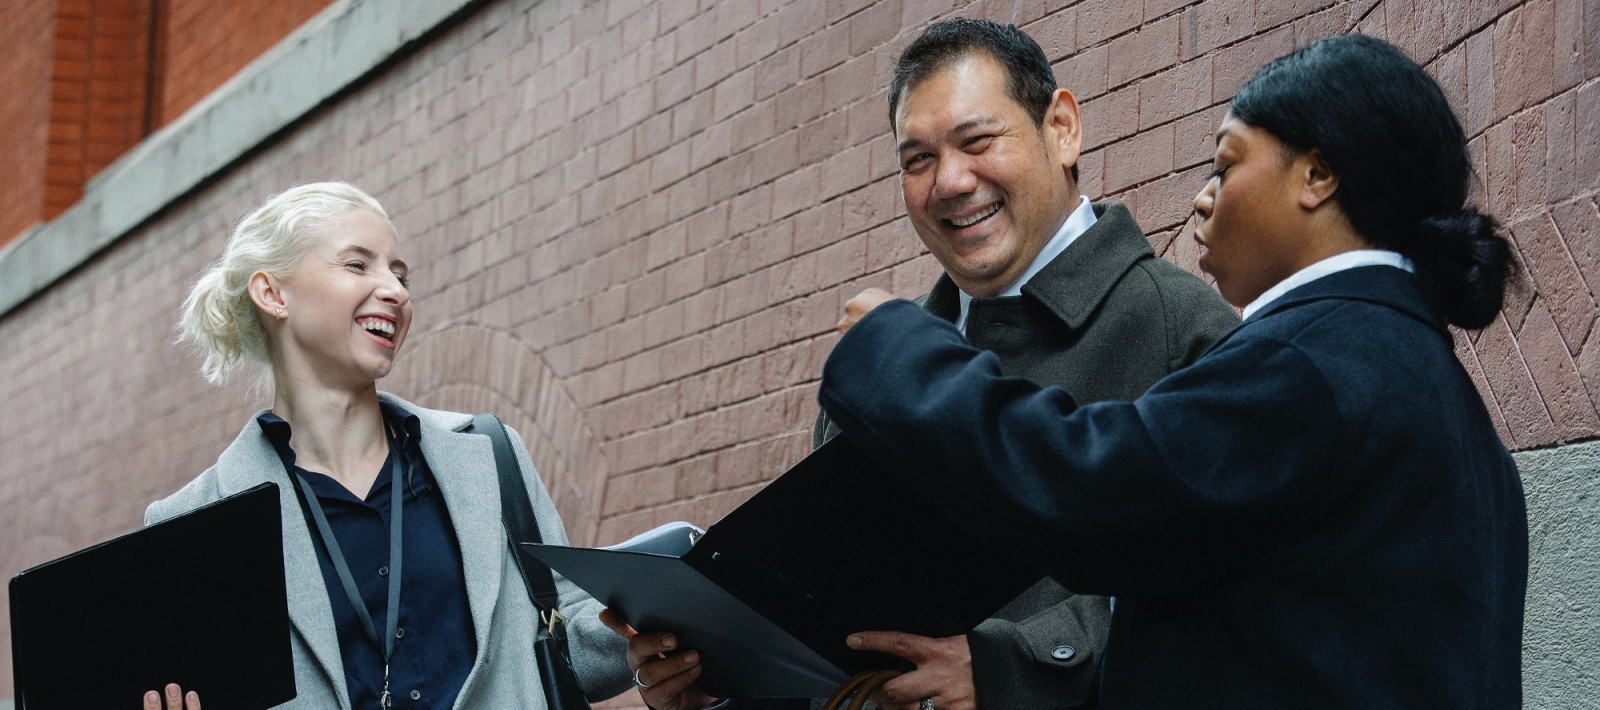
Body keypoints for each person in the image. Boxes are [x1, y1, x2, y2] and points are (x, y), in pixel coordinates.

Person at [818, 33, 1526, 709]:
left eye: (1225, 164)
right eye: (916, 159)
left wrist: (899, 359)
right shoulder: (1428, 390)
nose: (1201, 197)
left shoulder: (1308, 361)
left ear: (1316, 175)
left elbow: (1093, 489)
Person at [803, 18, 1236, 710]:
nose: (949, 181)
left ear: (1062, 127)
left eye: (977, 142)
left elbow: (1230, 590)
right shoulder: (879, 362)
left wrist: (1010, 669)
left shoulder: (1181, 330)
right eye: (917, 160)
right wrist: (718, 668)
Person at [142, 182, 704, 710]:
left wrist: (646, 659)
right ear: (272, 292)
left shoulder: (489, 453)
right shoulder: (193, 522)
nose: (394, 290)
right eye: (357, 264)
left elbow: (558, 641)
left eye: (400, 274)